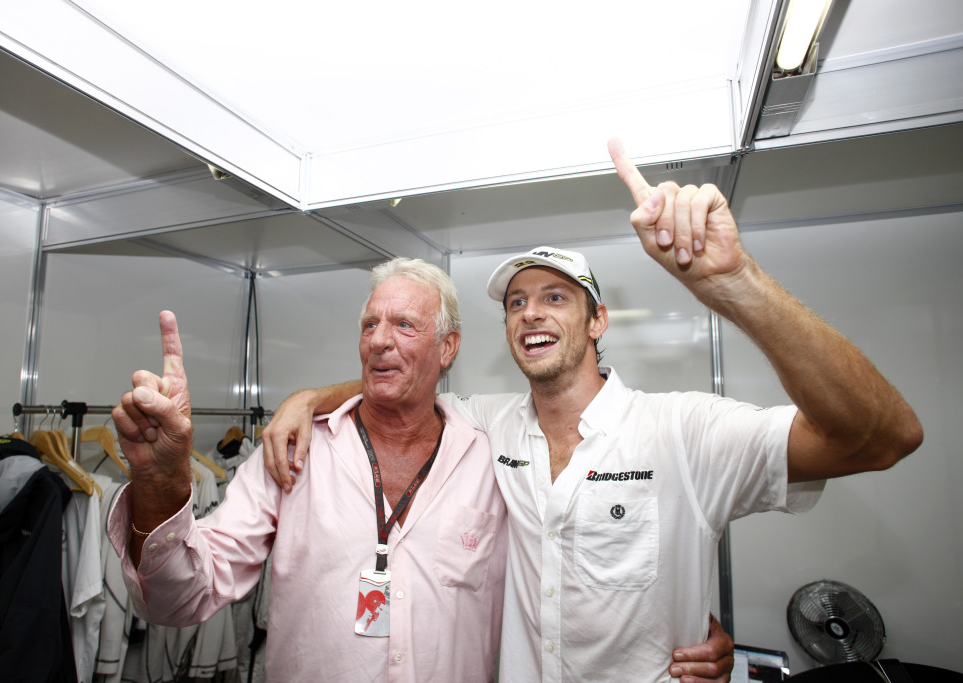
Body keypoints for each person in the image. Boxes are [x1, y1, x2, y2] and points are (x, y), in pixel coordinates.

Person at [261, 139, 924, 682]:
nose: (531, 313)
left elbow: (882, 437)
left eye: (555, 297)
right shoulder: (481, 426)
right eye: (516, 302)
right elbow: (399, 385)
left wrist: (735, 282)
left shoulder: (681, 431)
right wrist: (306, 399)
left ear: (598, 319)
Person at [107, 259, 734, 681]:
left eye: (405, 324)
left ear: (449, 348)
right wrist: (160, 482)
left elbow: (567, 565)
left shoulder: (496, 449)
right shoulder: (293, 451)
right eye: (370, 324)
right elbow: (179, 597)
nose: (380, 339)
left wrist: (678, 625)